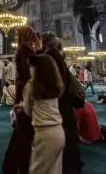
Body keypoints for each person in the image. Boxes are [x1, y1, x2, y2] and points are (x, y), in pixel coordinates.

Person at [41, 32, 83, 174]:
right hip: (65, 104)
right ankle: (71, 164)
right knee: (68, 134)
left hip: (57, 104)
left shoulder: (49, 59)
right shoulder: (60, 60)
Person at [2, 26, 41, 174]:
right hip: (28, 89)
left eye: (19, 34)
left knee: (22, 127)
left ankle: (13, 165)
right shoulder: (31, 48)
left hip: (25, 88)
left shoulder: (25, 48)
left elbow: (28, 70)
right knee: (24, 126)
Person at [22, 54, 65, 174]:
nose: (30, 69)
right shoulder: (55, 87)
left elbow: (27, 110)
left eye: (32, 67)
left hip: (44, 134)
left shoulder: (31, 86)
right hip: (59, 132)